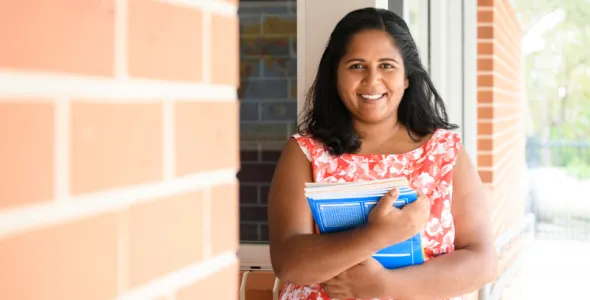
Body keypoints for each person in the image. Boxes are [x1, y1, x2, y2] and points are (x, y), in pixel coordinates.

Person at [267, 7, 497, 300]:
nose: (372, 80)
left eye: (387, 66)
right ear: (335, 75)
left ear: (407, 77)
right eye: (356, 66)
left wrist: (384, 285)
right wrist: (376, 236)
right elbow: (288, 263)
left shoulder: (445, 153)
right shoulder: (305, 152)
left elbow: (483, 262)